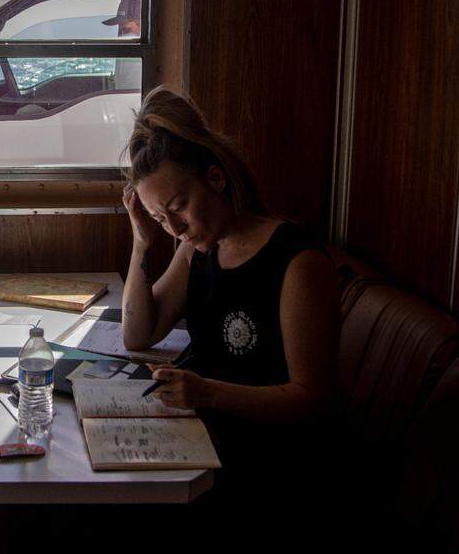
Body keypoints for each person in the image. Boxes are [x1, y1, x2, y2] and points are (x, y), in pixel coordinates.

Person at [120, 85, 339, 529]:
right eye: (162, 219)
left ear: (216, 179)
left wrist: (207, 392)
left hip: (266, 470)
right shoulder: (198, 250)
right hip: (201, 444)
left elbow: (311, 400)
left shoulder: (297, 264)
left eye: (179, 207)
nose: (176, 228)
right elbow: (138, 334)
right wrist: (143, 244)